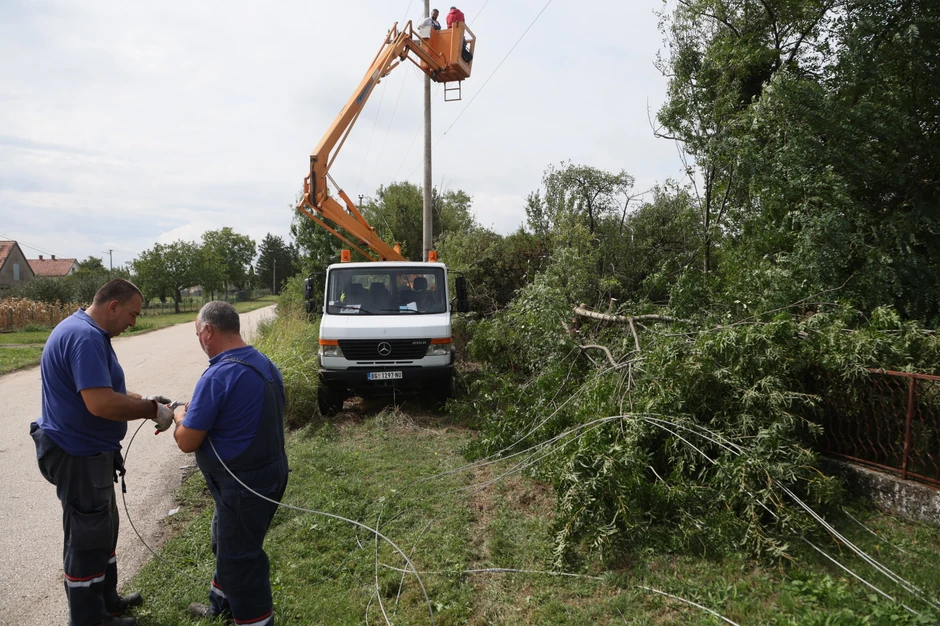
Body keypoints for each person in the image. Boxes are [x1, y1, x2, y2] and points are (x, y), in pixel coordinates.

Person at [30, 278, 175, 626]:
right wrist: (152, 412)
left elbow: (102, 389)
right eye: (132, 315)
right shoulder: (85, 338)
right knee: (86, 537)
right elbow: (99, 403)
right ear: (113, 306)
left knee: (103, 528)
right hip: (76, 453)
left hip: (88, 451)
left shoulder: (88, 332)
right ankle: (88, 618)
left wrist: (141, 400)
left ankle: (107, 599)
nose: (133, 323)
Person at [171, 301, 289, 625]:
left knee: (241, 560)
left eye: (198, 333)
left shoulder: (219, 374)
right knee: (225, 540)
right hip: (270, 474)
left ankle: (254, 621)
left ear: (208, 331)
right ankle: (221, 604)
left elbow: (186, 441)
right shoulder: (263, 362)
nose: (199, 340)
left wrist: (180, 415)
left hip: (242, 486)